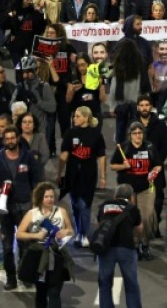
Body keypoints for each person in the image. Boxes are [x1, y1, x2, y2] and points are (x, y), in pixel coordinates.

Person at [0, 125, 42, 291]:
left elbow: (36, 179)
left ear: (17, 138)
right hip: (5, 208)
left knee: (26, 244)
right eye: (7, 138)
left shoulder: (28, 156)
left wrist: (35, 202)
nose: (10, 141)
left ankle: (24, 275)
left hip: (25, 206)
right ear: (4, 140)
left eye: (12, 138)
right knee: (7, 247)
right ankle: (11, 279)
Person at [110, 121, 161, 261]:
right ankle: (134, 244)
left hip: (146, 188)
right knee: (130, 217)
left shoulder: (149, 147)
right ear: (130, 135)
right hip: (128, 190)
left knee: (146, 216)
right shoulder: (124, 147)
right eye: (135, 133)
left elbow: (158, 165)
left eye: (140, 133)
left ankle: (145, 244)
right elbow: (112, 166)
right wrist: (123, 166)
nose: (138, 136)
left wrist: (154, 173)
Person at [58, 106, 107, 248]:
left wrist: (103, 177)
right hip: (72, 175)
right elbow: (64, 154)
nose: (74, 118)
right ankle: (79, 232)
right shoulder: (70, 133)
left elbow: (101, 156)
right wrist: (59, 173)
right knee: (75, 205)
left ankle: (84, 234)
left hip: (89, 175)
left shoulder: (96, 134)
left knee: (84, 204)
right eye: (74, 116)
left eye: (78, 116)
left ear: (86, 117)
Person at [96, 184, 143, 308]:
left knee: (105, 282)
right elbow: (139, 228)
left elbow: (99, 223)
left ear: (115, 196)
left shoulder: (105, 205)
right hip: (126, 248)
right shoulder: (132, 208)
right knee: (131, 283)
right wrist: (135, 237)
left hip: (106, 248)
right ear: (131, 197)